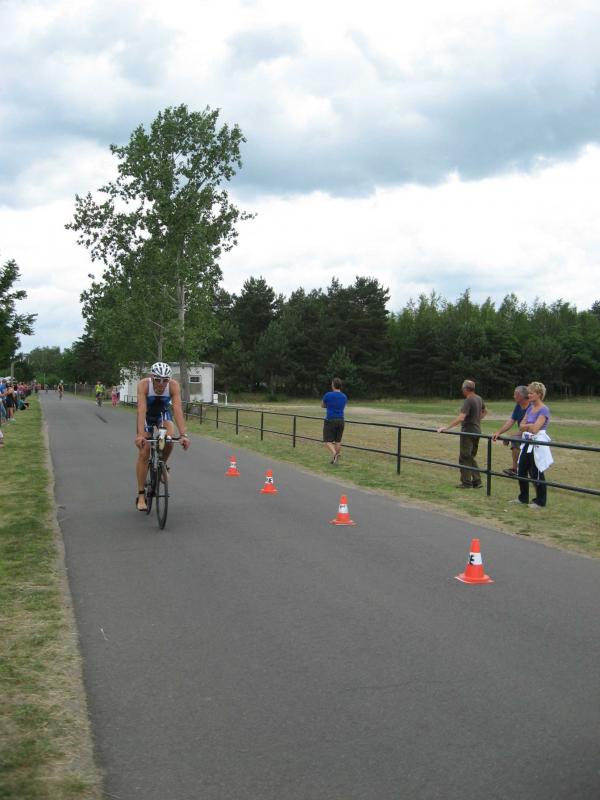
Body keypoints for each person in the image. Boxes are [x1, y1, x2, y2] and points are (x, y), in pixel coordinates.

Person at [134, 362, 190, 510]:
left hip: (162, 414)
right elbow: (141, 409)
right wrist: (140, 435)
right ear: (152, 378)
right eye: (158, 379)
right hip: (146, 416)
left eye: (165, 380)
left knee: (169, 439)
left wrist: (183, 434)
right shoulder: (144, 385)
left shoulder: (173, 386)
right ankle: (141, 495)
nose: (161, 383)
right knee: (144, 451)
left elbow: (177, 409)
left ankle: (162, 465)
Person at [437, 379, 487, 488]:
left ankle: (466, 483)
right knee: (470, 456)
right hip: (477, 431)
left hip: (468, 432)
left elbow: (461, 417)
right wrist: (476, 420)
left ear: (465, 389)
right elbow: (484, 412)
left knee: (464, 457)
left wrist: (446, 428)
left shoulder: (468, 400)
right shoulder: (479, 398)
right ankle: (477, 481)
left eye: (462, 388)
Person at [510, 381, 552, 509]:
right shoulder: (530, 408)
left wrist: (527, 426)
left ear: (539, 394)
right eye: (528, 393)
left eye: (531, 393)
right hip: (527, 442)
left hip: (537, 443)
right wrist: (529, 426)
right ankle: (523, 497)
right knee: (522, 470)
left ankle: (540, 501)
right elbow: (521, 426)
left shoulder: (544, 410)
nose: (529, 395)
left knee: (536, 472)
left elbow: (535, 429)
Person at [491, 385, 530, 475]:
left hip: (532, 434)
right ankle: (515, 469)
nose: (513, 396)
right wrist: (498, 432)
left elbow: (527, 429)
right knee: (515, 439)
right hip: (523, 433)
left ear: (521, 396)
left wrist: (511, 437)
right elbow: (511, 420)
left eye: (515, 394)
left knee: (515, 439)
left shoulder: (531, 407)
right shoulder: (518, 406)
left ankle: (518, 469)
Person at [321, 377, 348, 464]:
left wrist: (329, 406)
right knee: (338, 441)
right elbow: (343, 406)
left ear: (333, 385)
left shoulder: (328, 395)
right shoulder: (344, 396)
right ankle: (336, 460)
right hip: (341, 420)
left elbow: (322, 405)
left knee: (327, 441)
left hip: (330, 420)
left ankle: (335, 454)